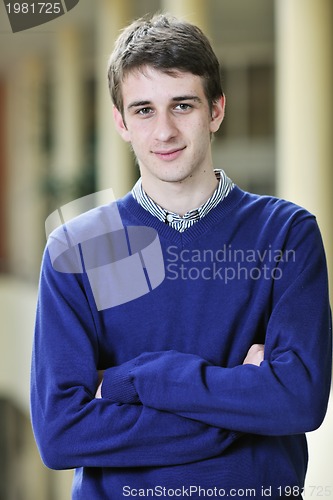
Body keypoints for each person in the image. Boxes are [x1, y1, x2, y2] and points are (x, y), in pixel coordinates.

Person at [30, 13, 332, 500]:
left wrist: (134, 377)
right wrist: (238, 405)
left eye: (183, 105)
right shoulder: (76, 249)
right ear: (121, 122)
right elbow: (60, 434)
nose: (164, 130)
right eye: (144, 109)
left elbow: (299, 403)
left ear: (215, 111)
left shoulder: (286, 235)